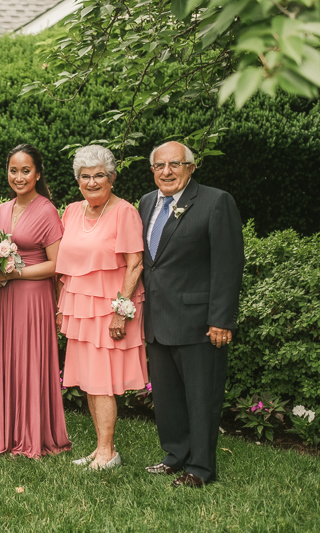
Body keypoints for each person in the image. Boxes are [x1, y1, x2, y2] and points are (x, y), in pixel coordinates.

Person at [140, 141, 244, 487]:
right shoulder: (145, 203)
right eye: (159, 166)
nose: (166, 172)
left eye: (175, 164)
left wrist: (221, 319)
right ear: (152, 170)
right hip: (156, 319)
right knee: (167, 396)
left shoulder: (216, 202)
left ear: (191, 168)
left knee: (201, 397)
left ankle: (200, 468)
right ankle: (174, 455)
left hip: (199, 322)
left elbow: (228, 265)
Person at [56, 145, 147, 470]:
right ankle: (100, 449)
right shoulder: (71, 211)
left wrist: (121, 312)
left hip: (111, 310)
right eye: (85, 176)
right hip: (80, 307)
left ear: (111, 178)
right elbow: (66, 267)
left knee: (102, 381)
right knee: (89, 380)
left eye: (98, 176)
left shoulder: (124, 212)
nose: (91, 182)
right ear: (77, 180)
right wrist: (61, 308)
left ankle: (108, 452)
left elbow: (135, 265)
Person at [0, 144, 71, 458]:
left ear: (38, 173)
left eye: (25, 170)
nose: (18, 177)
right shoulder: (2, 209)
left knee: (29, 360)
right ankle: (4, 433)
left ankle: (31, 435)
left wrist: (15, 274)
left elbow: (56, 264)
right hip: (5, 297)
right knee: (7, 359)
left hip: (33, 297)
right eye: (13, 170)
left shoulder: (46, 209)